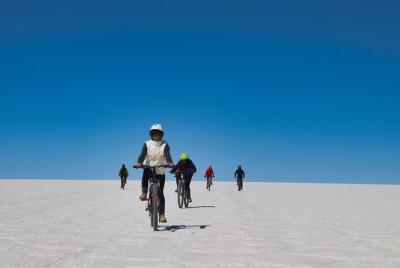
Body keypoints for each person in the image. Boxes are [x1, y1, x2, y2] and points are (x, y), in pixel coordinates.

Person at [133, 123, 174, 223]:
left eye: (158, 134)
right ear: (151, 134)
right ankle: (144, 192)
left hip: (160, 169)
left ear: (161, 135)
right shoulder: (147, 144)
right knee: (145, 173)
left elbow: (168, 155)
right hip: (149, 166)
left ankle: (162, 214)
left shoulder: (165, 144)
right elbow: (142, 155)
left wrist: (169, 163)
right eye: (154, 134)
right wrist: (139, 163)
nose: (156, 136)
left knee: (160, 193)